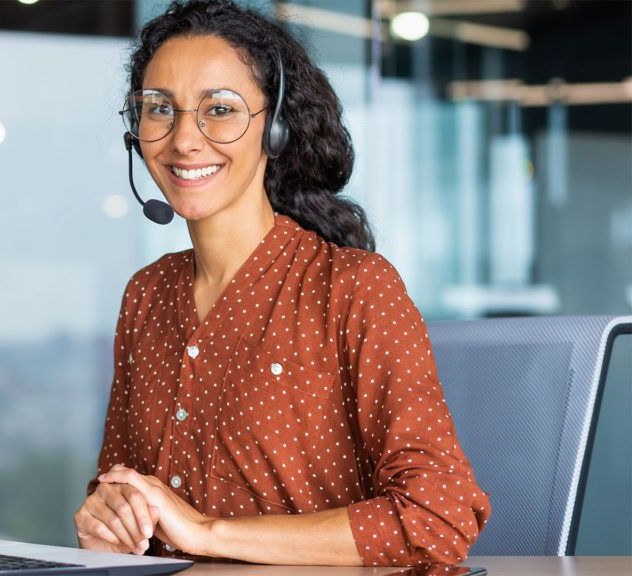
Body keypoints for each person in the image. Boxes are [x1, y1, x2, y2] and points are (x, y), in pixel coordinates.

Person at [72, 0, 491, 567]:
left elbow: (438, 517)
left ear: (275, 127)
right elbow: (120, 489)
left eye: (219, 109)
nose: (184, 139)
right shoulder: (146, 295)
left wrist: (207, 533)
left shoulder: (355, 288)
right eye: (158, 109)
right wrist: (109, 518)